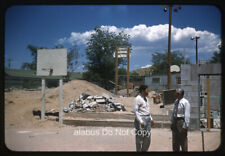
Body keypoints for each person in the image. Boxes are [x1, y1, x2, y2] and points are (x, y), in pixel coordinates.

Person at [133, 85, 154, 152]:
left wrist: (151, 118)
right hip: (141, 119)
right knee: (140, 137)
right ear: (142, 91)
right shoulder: (137, 99)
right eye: (147, 91)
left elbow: (148, 110)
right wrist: (140, 121)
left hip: (147, 119)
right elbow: (136, 111)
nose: (148, 92)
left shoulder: (146, 99)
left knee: (147, 137)